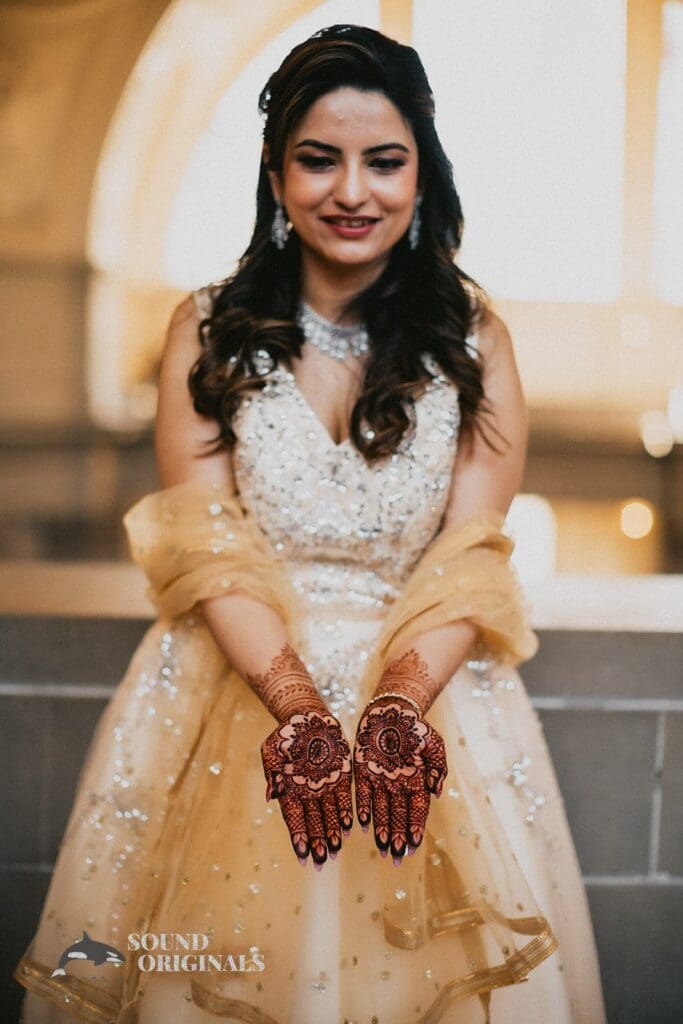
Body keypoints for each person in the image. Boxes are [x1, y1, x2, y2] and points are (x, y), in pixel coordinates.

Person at [15, 23, 607, 1024]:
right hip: (225, 689)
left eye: (383, 161)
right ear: (274, 171)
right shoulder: (205, 330)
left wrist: (395, 706)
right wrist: (295, 706)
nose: (351, 191)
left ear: (421, 172)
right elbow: (204, 545)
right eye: (318, 159)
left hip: (428, 698)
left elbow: (470, 557)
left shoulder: (473, 340)